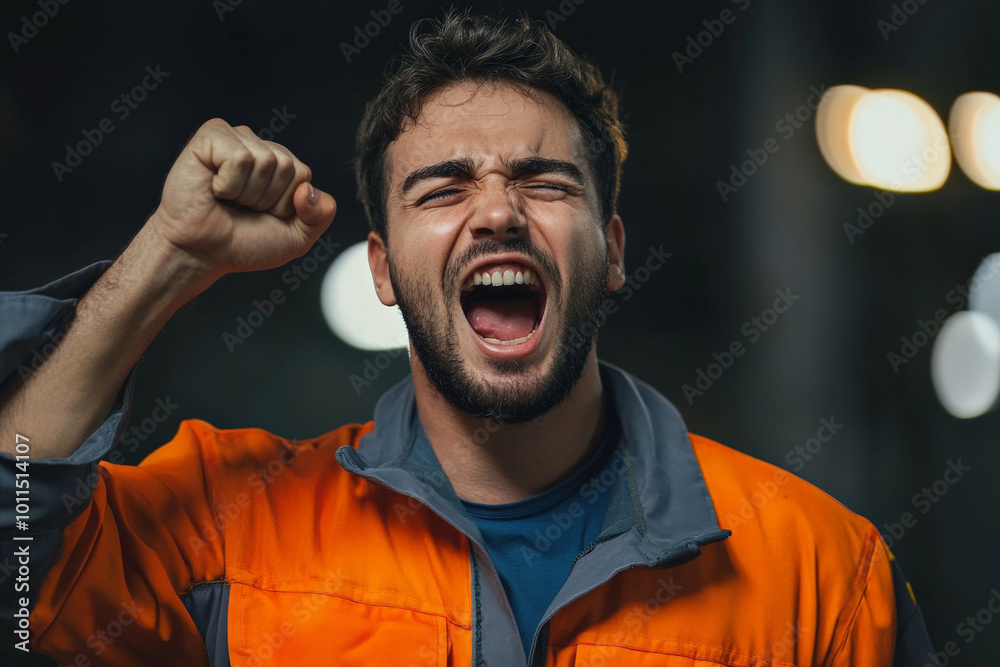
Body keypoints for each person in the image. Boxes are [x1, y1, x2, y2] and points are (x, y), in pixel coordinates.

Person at [1, 10, 933, 667]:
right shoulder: (231, 524)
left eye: (545, 181)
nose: (496, 211)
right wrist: (167, 254)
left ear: (610, 252)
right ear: (381, 269)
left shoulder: (822, 574)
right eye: (442, 188)